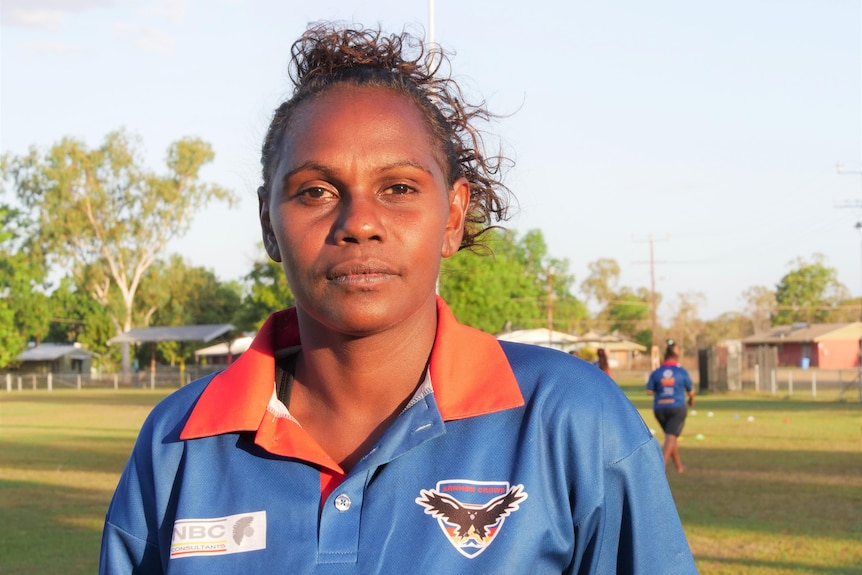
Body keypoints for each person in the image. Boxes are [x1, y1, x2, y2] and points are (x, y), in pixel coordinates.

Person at [99, 24, 697, 574]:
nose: (359, 223)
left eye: (400, 188)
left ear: (454, 216)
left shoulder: (570, 421)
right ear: (267, 221)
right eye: (316, 191)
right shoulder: (177, 443)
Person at [646, 339, 696, 474]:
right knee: (671, 436)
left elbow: (649, 390)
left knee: (670, 436)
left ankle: (679, 466)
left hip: (659, 408)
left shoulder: (657, 372)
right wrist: (691, 400)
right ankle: (660, 468)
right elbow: (691, 391)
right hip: (677, 407)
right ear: (676, 356)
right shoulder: (681, 371)